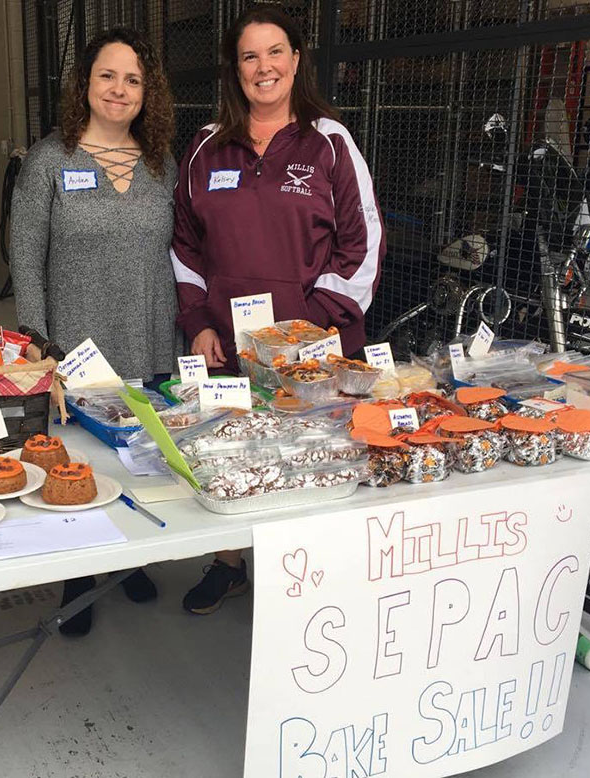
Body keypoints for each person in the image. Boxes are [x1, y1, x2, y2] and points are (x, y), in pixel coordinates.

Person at [171, 6, 385, 615]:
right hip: (227, 350)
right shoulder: (207, 147)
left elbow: (361, 244)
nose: (263, 67)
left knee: (313, 455)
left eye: (274, 53)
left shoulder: (330, 142)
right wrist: (199, 322)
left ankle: (310, 586)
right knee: (236, 453)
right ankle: (229, 565)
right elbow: (185, 245)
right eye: (248, 56)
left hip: (312, 349)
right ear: (234, 69)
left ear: (296, 60)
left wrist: (310, 328)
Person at [10, 28, 179, 634]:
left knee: (138, 454)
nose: (119, 89)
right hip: (76, 347)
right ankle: (78, 576)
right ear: (84, 83)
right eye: (108, 75)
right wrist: (38, 346)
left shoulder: (162, 164)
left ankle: (127, 559)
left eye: (133, 79)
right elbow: (25, 257)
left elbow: (178, 254)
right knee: (77, 461)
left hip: (150, 334)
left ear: (146, 93)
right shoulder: (51, 160)